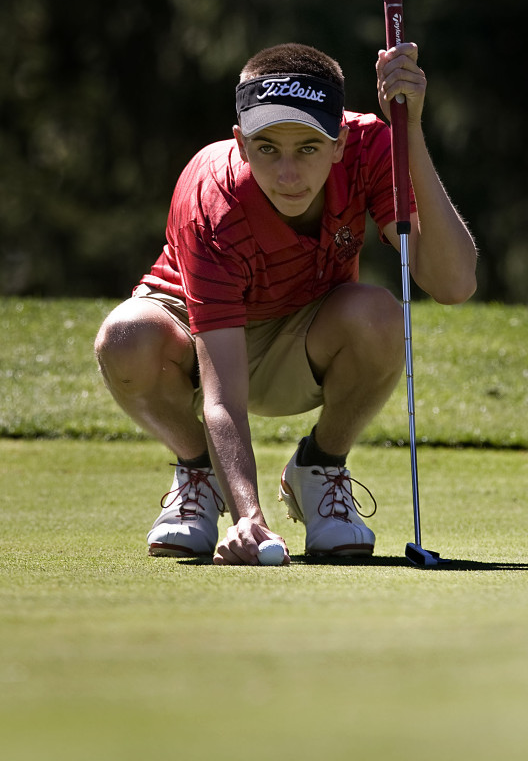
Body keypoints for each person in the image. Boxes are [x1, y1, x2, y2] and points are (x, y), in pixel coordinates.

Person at [95, 41, 477, 566]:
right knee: (126, 337)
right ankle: (200, 472)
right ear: (241, 142)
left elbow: (453, 284)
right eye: (268, 148)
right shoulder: (212, 198)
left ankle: (318, 468)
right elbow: (223, 396)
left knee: (380, 314)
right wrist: (249, 517)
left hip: (302, 337)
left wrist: (408, 132)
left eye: (309, 148)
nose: (288, 174)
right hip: (195, 340)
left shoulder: (371, 144)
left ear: (340, 142)